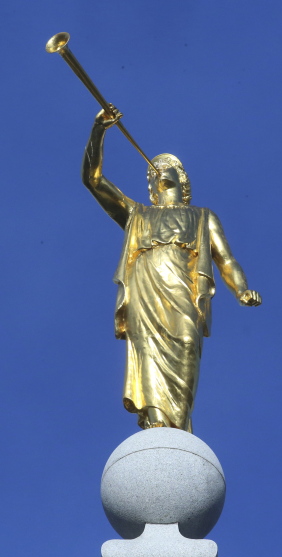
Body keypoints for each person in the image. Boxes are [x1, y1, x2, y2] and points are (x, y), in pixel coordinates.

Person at [82, 107, 261, 433]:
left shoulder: (203, 216)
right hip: (146, 291)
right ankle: (156, 423)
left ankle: (178, 428)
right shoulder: (137, 214)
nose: (161, 170)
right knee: (149, 351)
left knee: (187, 345)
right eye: (155, 170)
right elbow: (92, 180)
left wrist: (241, 289)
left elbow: (227, 260)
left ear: (182, 178)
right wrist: (98, 129)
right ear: (151, 185)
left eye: (170, 168)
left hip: (183, 290)